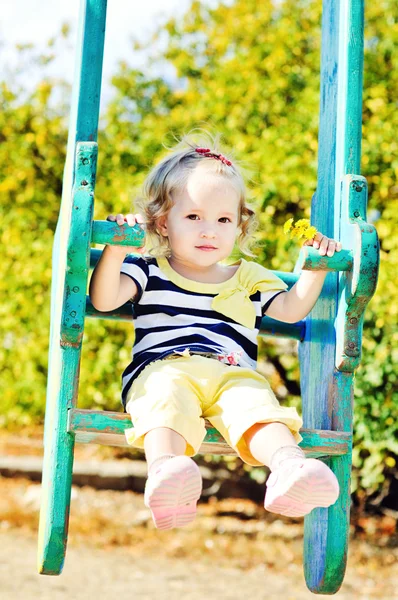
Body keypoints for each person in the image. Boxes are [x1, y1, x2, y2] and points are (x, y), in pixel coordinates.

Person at [89, 132, 341, 531]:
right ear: (162, 223)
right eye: (194, 217)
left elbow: (291, 311)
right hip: (164, 368)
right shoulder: (148, 267)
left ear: (239, 226)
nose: (210, 231)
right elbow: (103, 299)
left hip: (232, 372)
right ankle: (168, 473)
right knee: (164, 401)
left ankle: (289, 469)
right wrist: (117, 248)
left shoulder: (249, 277)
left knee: (258, 407)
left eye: (223, 220)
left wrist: (314, 267)